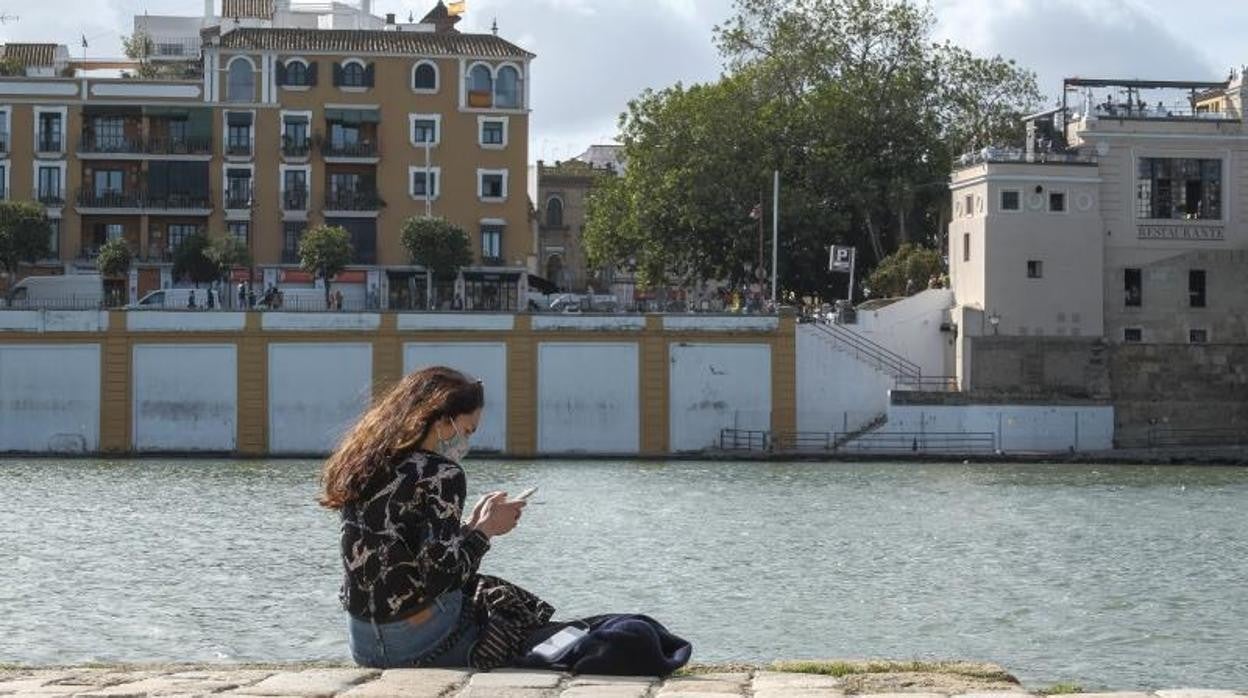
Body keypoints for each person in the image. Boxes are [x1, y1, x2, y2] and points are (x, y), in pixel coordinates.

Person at [320, 368, 534, 669]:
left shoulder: (363, 464)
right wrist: (487, 531)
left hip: (362, 643)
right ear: (442, 420)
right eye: (468, 430)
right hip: (414, 642)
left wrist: (471, 526)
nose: (467, 442)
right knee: (505, 603)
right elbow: (442, 578)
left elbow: (404, 552)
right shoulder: (443, 473)